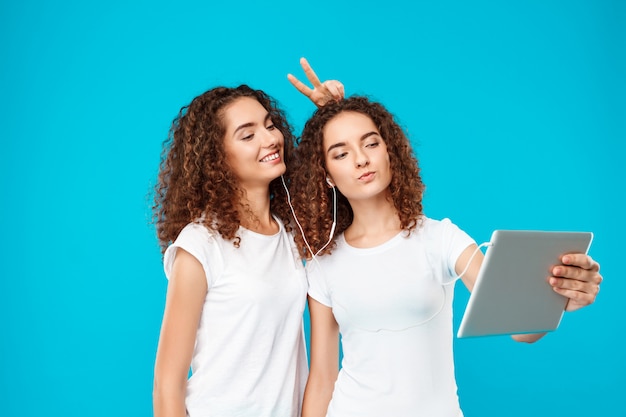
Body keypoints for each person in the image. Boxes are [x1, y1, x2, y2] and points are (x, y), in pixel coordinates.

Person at [288, 96, 603, 417]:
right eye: (341, 153)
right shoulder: (323, 264)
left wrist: (558, 295)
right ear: (326, 175)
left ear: (389, 153)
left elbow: (522, 329)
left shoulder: (440, 239)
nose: (360, 160)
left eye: (370, 144)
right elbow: (323, 377)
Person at [151, 59, 343, 417]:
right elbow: (167, 384)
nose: (270, 138)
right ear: (217, 158)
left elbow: (349, 183)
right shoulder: (200, 244)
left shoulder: (291, 232)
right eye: (248, 134)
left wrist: (333, 114)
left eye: (270, 125)